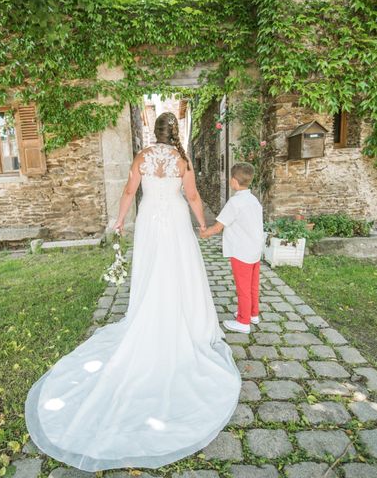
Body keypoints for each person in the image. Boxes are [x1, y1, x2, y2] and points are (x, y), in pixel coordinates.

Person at [24, 112, 241, 472]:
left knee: (152, 269)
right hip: (173, 221)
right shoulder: (181, 160)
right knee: (179, 269)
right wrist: (203, 225)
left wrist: (120, 219)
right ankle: (183, 319)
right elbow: (192, 196)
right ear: (175, 134)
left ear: (153, 133)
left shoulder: (142, 158)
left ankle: (148, 314)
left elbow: (128, 191)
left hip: (150, 222)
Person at [200, 162, 264, 334]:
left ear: (234, 181)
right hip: (255, 249)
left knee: (243, 287)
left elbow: (218, 227)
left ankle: (243, 322)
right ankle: (253, 313)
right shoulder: (253, 200)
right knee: (252, 285)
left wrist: (204, 234)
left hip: (241, 251)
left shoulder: (235, 203)